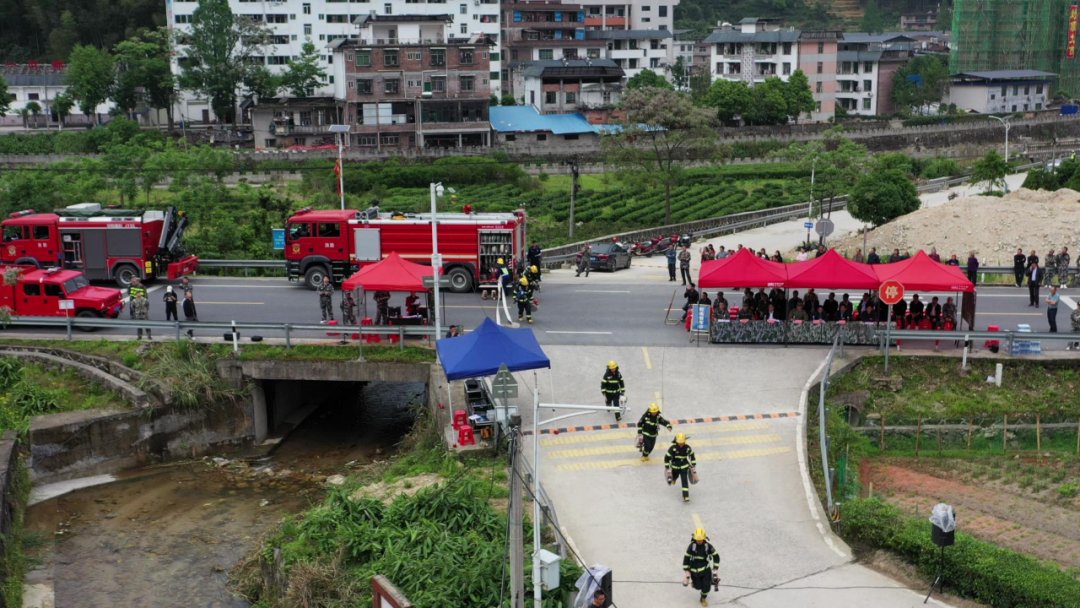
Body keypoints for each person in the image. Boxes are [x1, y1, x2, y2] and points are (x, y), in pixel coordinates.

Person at [682, 527, 720, 607]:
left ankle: (703, 598)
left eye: (701, 539)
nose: (699, 541)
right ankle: (695, 584)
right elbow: (686, 559)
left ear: (704, 538)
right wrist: (687, 573)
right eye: (697, 539)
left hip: (706, 571)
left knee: (706, 588)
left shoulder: (708, 546)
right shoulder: (691, 547)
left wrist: (715, 569)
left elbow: (716, 557)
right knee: (698, 587)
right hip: (694, 572)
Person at [665, 432, 697, 503]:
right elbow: (666, 457)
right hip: (675, 467)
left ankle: (685, 496)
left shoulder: (687, 448)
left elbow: (692, 456)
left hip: (684, 467)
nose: (681, 444)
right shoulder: (672, 448)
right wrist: (667, 466)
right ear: (676, 441)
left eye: (682, 442)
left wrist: (693, 464)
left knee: (684, 481)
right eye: (679, 442)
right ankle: (674, 479)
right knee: (674, 476)